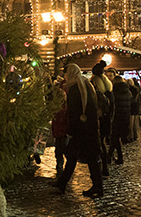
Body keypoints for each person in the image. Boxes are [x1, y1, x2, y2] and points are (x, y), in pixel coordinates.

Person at [52, 63, 102, 198]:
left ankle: (96, 186)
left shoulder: (74, 89)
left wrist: (71, 131)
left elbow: (73, 113)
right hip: (89, 129)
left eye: (67, 73)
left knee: (77, 157)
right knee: (81, 158)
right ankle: (63, 183)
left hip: (81, 130)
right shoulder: (86, 85)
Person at [108, 72, 131, 165]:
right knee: (115, 138)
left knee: (114, 138)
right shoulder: (128, 92)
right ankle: (111, 157)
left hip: (116, 118)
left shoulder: (114, 92)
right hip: (125, 118)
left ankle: (112, 157)